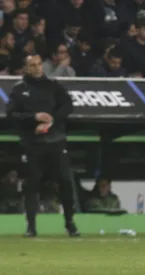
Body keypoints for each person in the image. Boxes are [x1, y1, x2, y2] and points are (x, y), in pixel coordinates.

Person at [5, 54, 80, 237]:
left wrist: (51, 121)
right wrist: (34, 118)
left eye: (39, 64)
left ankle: (70, 222)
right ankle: (31, 226)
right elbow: (11, 116)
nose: (37, 68)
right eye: (32, 65)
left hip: (55, 141)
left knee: (65, 181)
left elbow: (68, 106)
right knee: (32, 184)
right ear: (26, 68)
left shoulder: (54, 86)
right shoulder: (18, 90)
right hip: (32, 144)